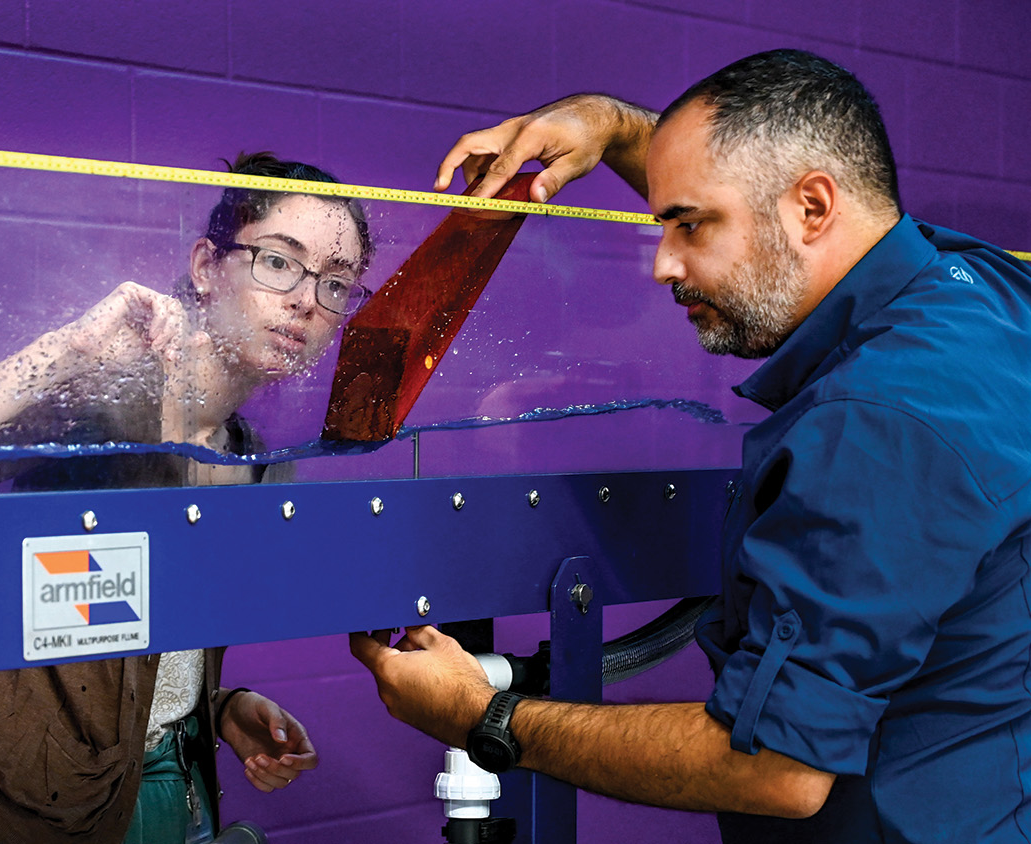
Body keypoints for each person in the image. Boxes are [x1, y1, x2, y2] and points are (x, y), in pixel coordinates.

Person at [351, 49, 1031, 843]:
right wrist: (610, 124)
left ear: (813, 207)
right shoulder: (977, 285)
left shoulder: (873, 425)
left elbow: (775, 767)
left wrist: (482, 715)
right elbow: (751, 183)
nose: (663, 264)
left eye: (689, 224)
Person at [0, 152, 376, 844]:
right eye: (280, 262)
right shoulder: (103, 395)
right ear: (206, 267)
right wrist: (70, 350)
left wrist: (213, 707)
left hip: (176, 789)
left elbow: (135, 627)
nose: (306, 302)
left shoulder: (255, 460)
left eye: (337, 284)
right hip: (33, 813)